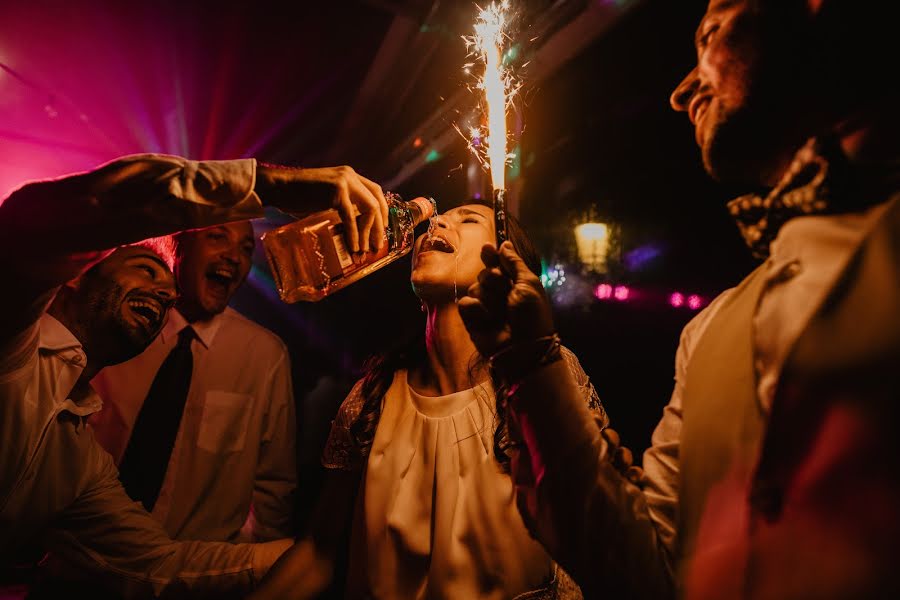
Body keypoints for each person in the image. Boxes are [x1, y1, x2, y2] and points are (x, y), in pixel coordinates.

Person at [458, 0, 900, 598]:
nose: (680, 89)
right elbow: (645, 572)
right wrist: (528, 361)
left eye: (712, 32)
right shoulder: (709, 333)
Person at [0, 154, 390, 597]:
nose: (168, 292)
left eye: (168, 290)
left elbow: (159, 563)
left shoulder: (77, 459)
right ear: (74, 275)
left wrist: (325, 552)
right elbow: (40, 218)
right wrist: (275, 187)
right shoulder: (11, 343)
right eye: (147, 270)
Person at [249, 201, 609, 599]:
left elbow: (599, 532)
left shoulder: (537, 377)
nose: (435, 221)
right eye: (439, 218)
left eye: (468, 220)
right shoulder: (373, 396)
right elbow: (319, 551)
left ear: (505, 265)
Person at [90, 220, 296, 544]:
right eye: (217, 237)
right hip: (82, 556)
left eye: (245, 248)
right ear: (177, 246)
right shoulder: (119, 328)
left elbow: (273, 486)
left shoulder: (264, 356)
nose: (234, 257)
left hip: (190, 577)